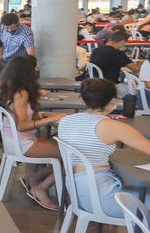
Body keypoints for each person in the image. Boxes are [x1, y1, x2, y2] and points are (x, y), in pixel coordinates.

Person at [59, 78, 150, 221]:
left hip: (75, 194)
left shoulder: (65, 121)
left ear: (84, 100)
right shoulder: (112, 127)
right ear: (113, 101)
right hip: (103, 199)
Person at [0, 56, 63, 210]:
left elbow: (22, 116)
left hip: (12, 142)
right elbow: (22, 125)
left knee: (62, 148)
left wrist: (45, 115)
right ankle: (40, 188)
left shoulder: (8, 88)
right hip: (23, 143)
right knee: (71, 153)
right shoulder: (21, 93)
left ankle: (34, 178)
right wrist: (50, 120)